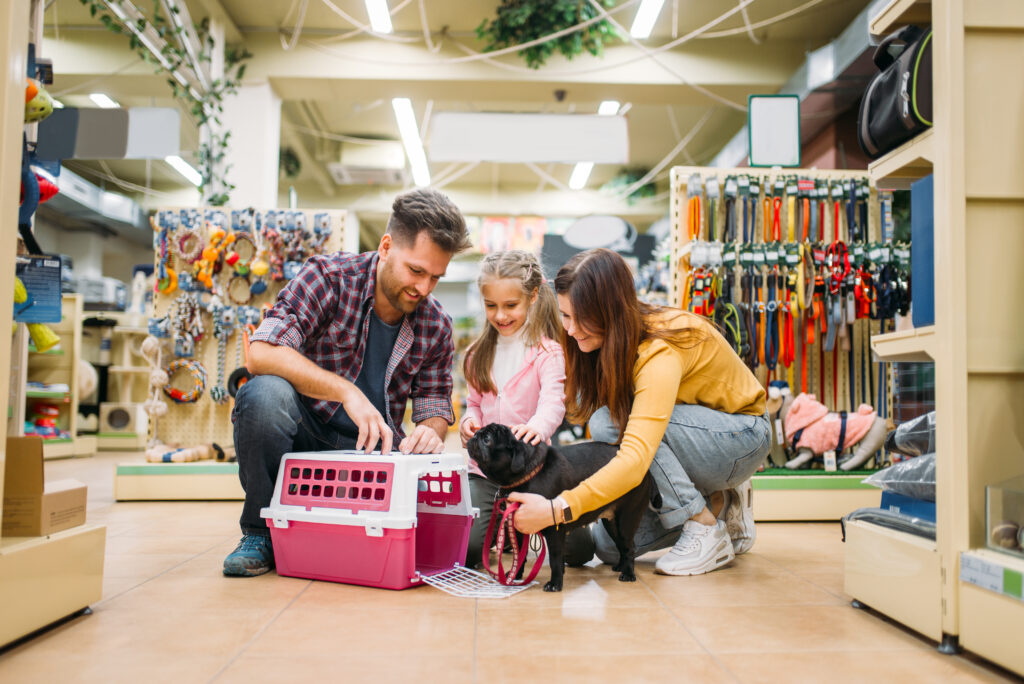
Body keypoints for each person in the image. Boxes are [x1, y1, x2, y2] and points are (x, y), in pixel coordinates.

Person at [223, 188, 471, 577]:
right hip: (303, 436)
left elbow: (436, 404)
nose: (423, 288)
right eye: (416, 271)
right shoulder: (328, 277)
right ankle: (259, 531)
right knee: (263, 394)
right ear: (386, 246)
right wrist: (345, 391)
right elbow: (261, 353)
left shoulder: (436, 323)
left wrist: (429, 431)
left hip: (373, 454)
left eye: (435, 278)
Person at [508, 248, 769, 576]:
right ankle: (718, 504)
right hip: (695, 440)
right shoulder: (605, 342)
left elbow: (634, 459)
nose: (571, 329)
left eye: (580, 317)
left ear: (610, 310)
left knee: (609, 422)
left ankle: (702, 525)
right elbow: (576, 411)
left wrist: (558, 509)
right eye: (565, 315)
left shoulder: (658, 351)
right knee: (608, 546)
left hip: (741, 437)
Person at [458, 250, 570, 568]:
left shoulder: (547, 352)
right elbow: (475, 404)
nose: (500, 316)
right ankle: (502, 526)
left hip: (533, 469)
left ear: (533, 296)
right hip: (485, 471)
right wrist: (470, 420)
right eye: (491, 306)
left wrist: (537, 426)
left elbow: (553, 402)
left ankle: (511, 526)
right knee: (469, 550)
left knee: (578, 551)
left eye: (511, 306)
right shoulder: (476, 353)